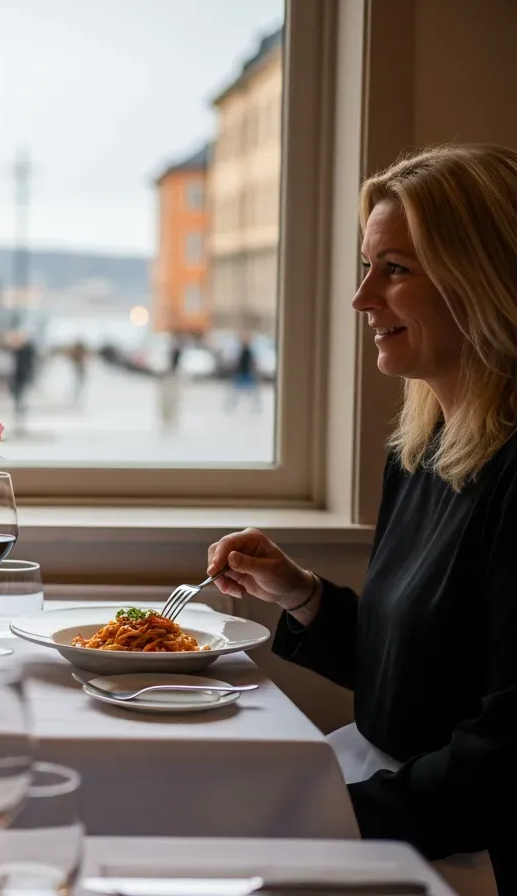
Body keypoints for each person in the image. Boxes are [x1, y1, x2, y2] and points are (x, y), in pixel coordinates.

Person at [207, 144, 516, 896]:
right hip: (400, 799)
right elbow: (421, 678)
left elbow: (504, 755)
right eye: (367, 266)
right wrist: (301, 594)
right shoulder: (422, 451)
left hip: (464, 848)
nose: (361, 297)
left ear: (484, 279)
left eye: (396, 269)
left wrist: (316, 816)